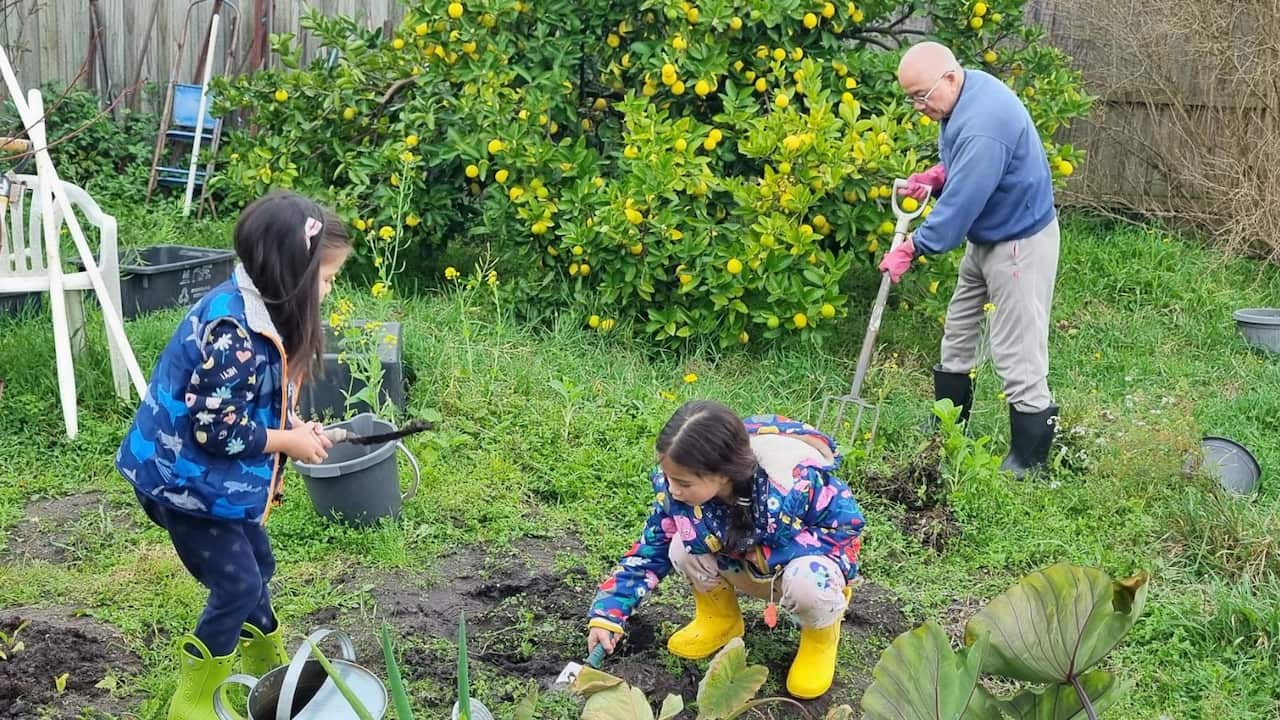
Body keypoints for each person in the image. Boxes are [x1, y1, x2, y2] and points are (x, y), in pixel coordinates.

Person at [114, 191, 352, 719]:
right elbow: (215, 429)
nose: (330, 289)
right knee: (237, 583)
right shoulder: (232, 333)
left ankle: (267, 664)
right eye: (327, 277)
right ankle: (195, 698)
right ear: (290, 273)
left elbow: (252, 399)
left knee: (257, 564)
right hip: (183, 484)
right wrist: (285, 442)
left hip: (214, 482)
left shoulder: (260, 311)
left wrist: (291, 424)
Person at [585, 400, 865, 700]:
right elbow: (648, 553)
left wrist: (773, 553)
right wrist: (608, 614)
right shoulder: (678, 497)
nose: (673, 489)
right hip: (741, 565)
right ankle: (721, 619)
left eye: (683, 482)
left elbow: (847, 529)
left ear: (723, 473)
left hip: (795, 572)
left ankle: (820, 634)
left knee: (811, 580)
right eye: (668, 478)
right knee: (681, 545)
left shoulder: (794, 484)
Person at [878, 41, 1061, 478]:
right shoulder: (965, 95)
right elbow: (967, 169)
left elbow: (963, 202)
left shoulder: (983, 121)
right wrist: (937, 176)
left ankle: (1028, 461)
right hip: (988, 237)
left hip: (1018, 243)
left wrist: (914, 246)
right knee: (959, 331)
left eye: (921, 95)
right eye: (911, 98)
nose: (919, 106)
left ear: (949, 77)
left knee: (1017, 350)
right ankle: (949, 422)